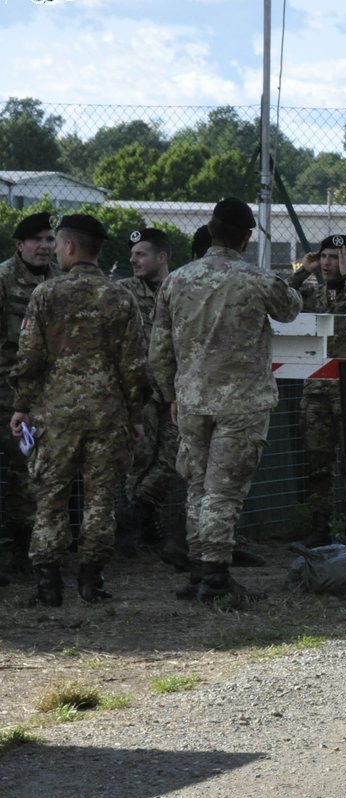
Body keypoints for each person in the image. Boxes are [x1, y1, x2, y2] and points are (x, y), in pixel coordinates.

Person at [148, 197, 301, 602]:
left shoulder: (175, 281)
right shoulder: (255, 279)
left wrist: (170, 396)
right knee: (223, 491)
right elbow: (291, 309)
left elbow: (159, 351)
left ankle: (199, 570)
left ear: (211, 230)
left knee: (198, 487)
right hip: (242, 404)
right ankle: (216, 577)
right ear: (247, 238)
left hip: (192, 402)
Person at [8, 214, 145, 606]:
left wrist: (22, 407)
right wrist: (134, 415)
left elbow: (30, 359)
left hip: (56, 416)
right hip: (108, 414)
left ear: (68, 247)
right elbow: (135, 367)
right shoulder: (121, 296)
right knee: (100, 497)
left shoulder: (46, 295)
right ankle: (91, 580)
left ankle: (49, 584)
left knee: (51, 495)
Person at [289, 234, 346, 546]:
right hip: (317, 393)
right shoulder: (313, 294)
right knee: (317, 462)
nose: (326, 263)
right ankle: (320, 529)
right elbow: (281, 295)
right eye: (323, 256)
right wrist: (303, 270)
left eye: (334, 257)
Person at [116, 227, 182, 558]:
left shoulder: (181, 288)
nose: (133, 259)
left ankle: (134, 514)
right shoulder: (123, 291)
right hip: (139, 390)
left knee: (173, 458)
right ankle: (140, 530)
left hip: (176, 388)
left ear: (162, 257)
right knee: (139, 459)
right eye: (132, 254)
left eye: (141, 254)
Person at [0, 211, 59, 576]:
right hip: (5, 391)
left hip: (44, 396)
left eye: (50, 239)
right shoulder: (4, 280)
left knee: (34, 474)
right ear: (19, 245)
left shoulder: (59, 281)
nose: (44, 246)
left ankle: (27, 552)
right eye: (36, 239)